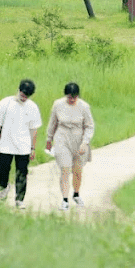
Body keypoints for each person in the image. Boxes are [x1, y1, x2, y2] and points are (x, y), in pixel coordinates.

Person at [0, 79, 42, 208]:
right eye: (23, 94)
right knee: (2, 170)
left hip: (23, 146)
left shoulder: (32, 107)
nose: (24, 98)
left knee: (22, 173)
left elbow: (34, 129)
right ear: (18, 90)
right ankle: (4, 187)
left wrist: (33, 148)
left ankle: (19, 199)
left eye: (27, 96)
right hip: (5, 144)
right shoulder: (5, 103)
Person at [45, 81, 95, 211]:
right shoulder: (58, 104)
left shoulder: (84, 107)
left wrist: (85, 142)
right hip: (62, 136)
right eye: (69, 97)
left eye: (74, 97)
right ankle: (65, 199)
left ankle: (76, 194)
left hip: (79, 138)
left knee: (77, 170)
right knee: (65, 169)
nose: (72, 99)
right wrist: (49, 139)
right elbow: (52, 123)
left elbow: (89, 126)